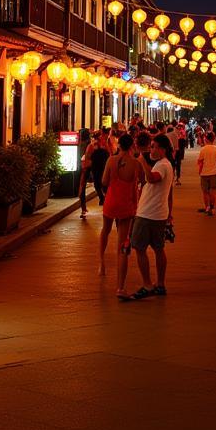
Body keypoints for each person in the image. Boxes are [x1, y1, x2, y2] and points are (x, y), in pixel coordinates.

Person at [124, 134, 175, 301]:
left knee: (139, 248)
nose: (151, 150)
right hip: (159, 213)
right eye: (151, 146)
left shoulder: (162, 166)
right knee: (159, 249)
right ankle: (160, 284)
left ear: (163, 149)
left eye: (154, 147)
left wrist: (142, 161)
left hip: (148, 214)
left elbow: (152, 179)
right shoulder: (164, 165)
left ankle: (148, 284)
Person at [100, 133, 138, 296]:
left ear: (119, 145)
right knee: (122, 245)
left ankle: (101, 263)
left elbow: (104, 182)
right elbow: (137, 185)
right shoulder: (135, 164)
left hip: (110, 201)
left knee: (105, 231)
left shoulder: (111, 160)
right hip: (126, 205)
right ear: (131, 146)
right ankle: (120, 287)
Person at [197, 131, 216, 215]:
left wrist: (200, 171)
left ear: (206, 139)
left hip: (204, 173)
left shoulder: (203, 149)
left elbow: (200, 161)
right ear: (214, 139)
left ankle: (207, 207)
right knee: (213, 191)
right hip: (214, 173)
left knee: (205, 192)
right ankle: (213, 207)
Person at [77, 128, 93, 219]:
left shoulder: (80, 145)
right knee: (82, 188)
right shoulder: (89, 145)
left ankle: (83, 208)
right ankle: (83, 208)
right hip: (87, 167)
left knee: (82, 188)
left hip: (83, 168)